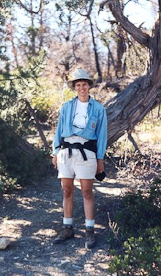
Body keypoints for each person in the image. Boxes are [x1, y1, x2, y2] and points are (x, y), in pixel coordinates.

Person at [51, 69, 107, 249]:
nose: (81, 88)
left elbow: (102, 135)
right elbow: (59, 129)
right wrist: (55, 151)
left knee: (86, 191)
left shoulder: (98, 109)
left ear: (89, 86)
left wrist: (100, 159)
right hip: (66, 152)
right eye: (78, 85)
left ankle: (90, 231)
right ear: (74, 87)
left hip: (87, 153)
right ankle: (67, 228)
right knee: (67, 190)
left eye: (84, 84)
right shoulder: (67, 106)